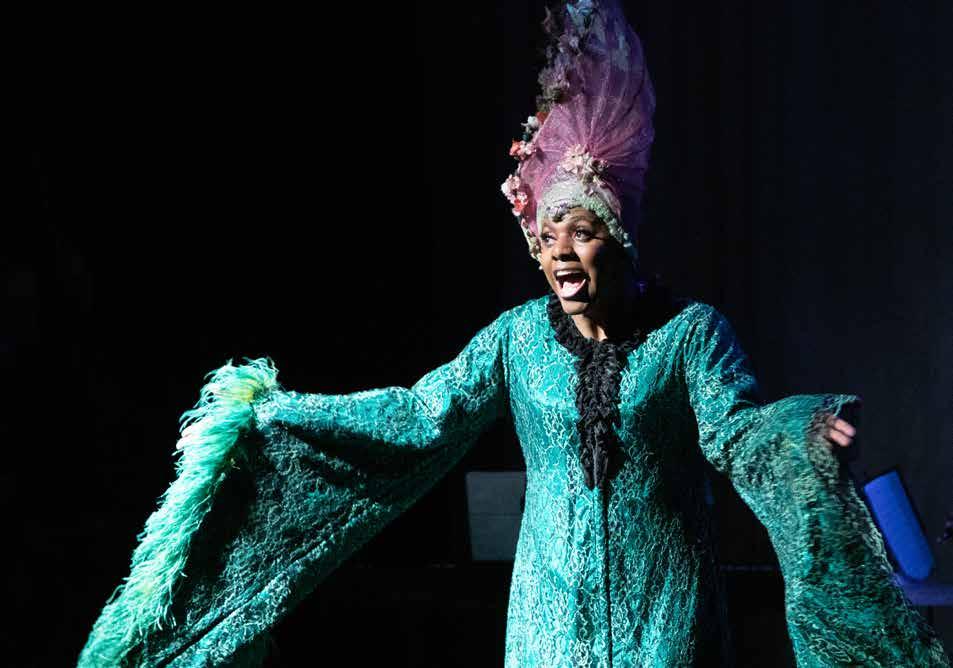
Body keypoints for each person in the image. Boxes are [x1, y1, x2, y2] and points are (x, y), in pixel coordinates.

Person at [78, 1, 950, 666]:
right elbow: (421, 415)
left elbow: (734, 433)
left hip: (665, 607)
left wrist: (800, 429)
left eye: (582, 232)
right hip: (546, 610)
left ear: (620, 241)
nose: (560, 252)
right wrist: (281, 416)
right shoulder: (515, 340)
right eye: (547, 236)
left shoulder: (689, 334)